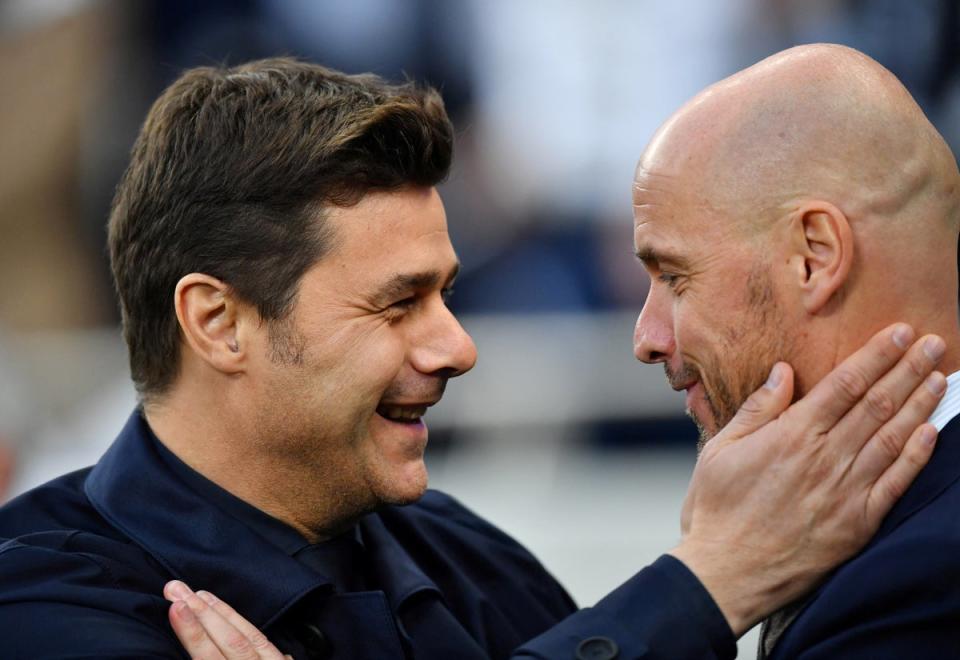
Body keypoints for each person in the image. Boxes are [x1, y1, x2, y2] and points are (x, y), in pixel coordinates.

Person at [0, 58, 945, 660]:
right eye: (399, 302)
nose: (457, 346)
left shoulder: (476, 566)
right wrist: (708, 582)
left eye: (446, 294)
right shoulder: (39, 605)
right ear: (218, 322)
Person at [631, 44, 960, 658]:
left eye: (674, 278)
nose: (647, 339)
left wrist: (707, 583)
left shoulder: (921, 580)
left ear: (815, 256)